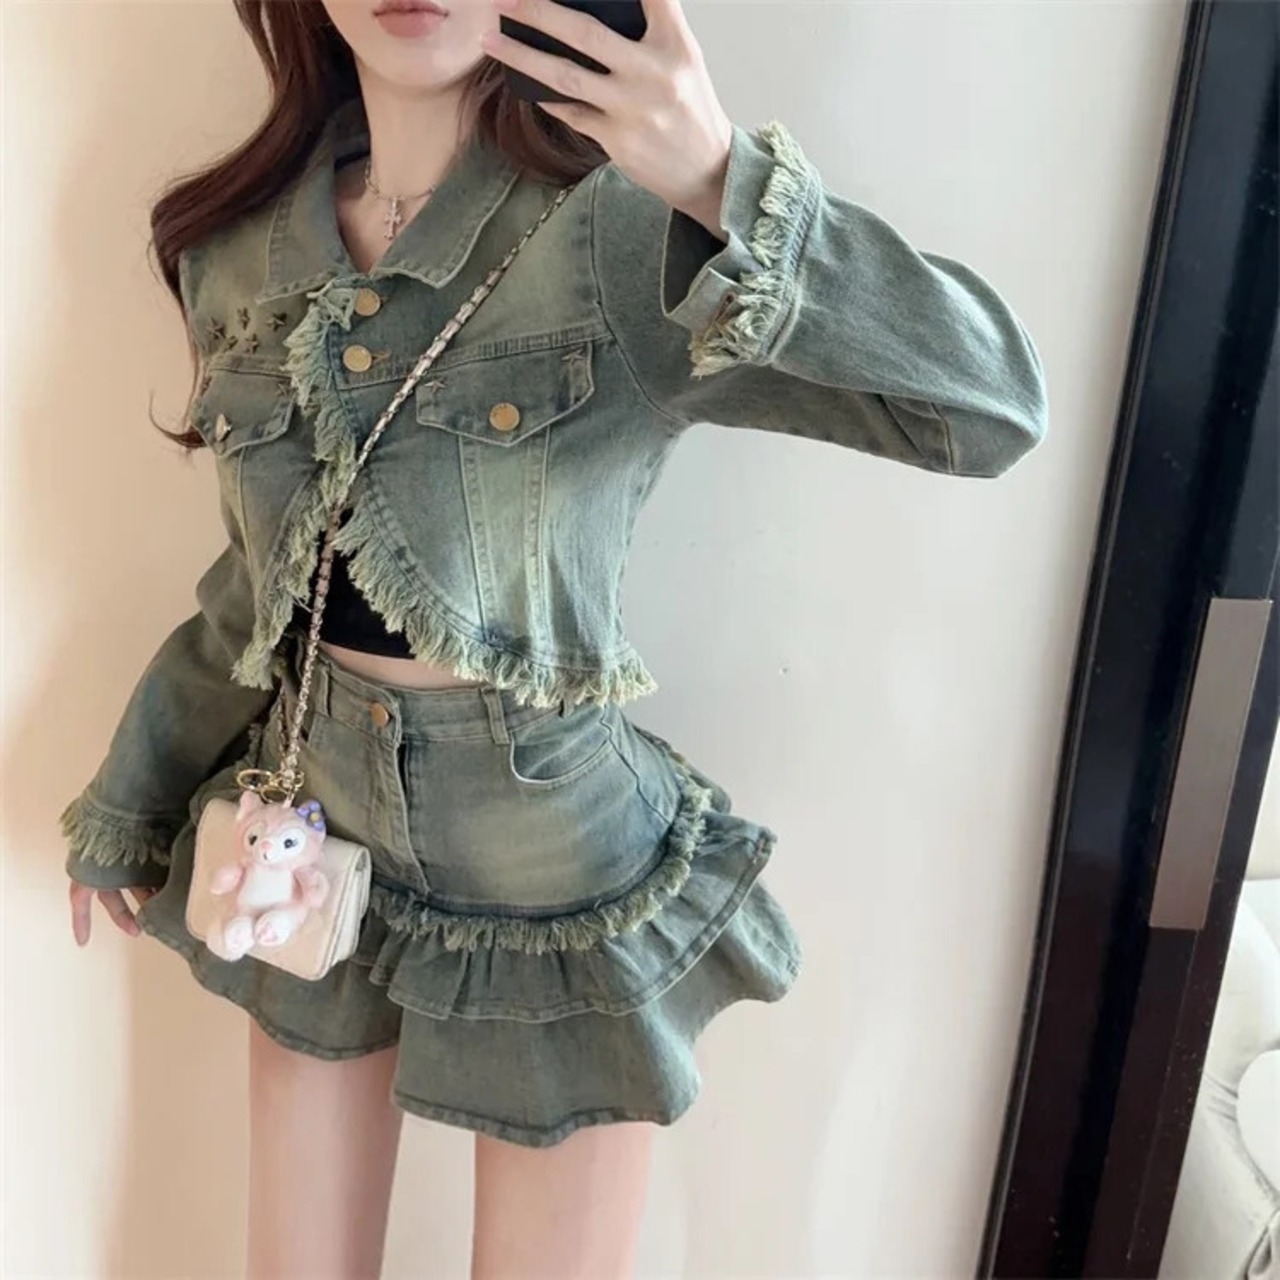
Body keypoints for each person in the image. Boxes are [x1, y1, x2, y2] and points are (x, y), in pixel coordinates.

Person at [61, 0, 1049, 1275]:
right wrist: (130, 795)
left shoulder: (621, 232)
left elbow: (985, 410)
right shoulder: (244, 252)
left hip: (556, 872)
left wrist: (722, 181)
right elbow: (258, 596)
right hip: (309, 841)